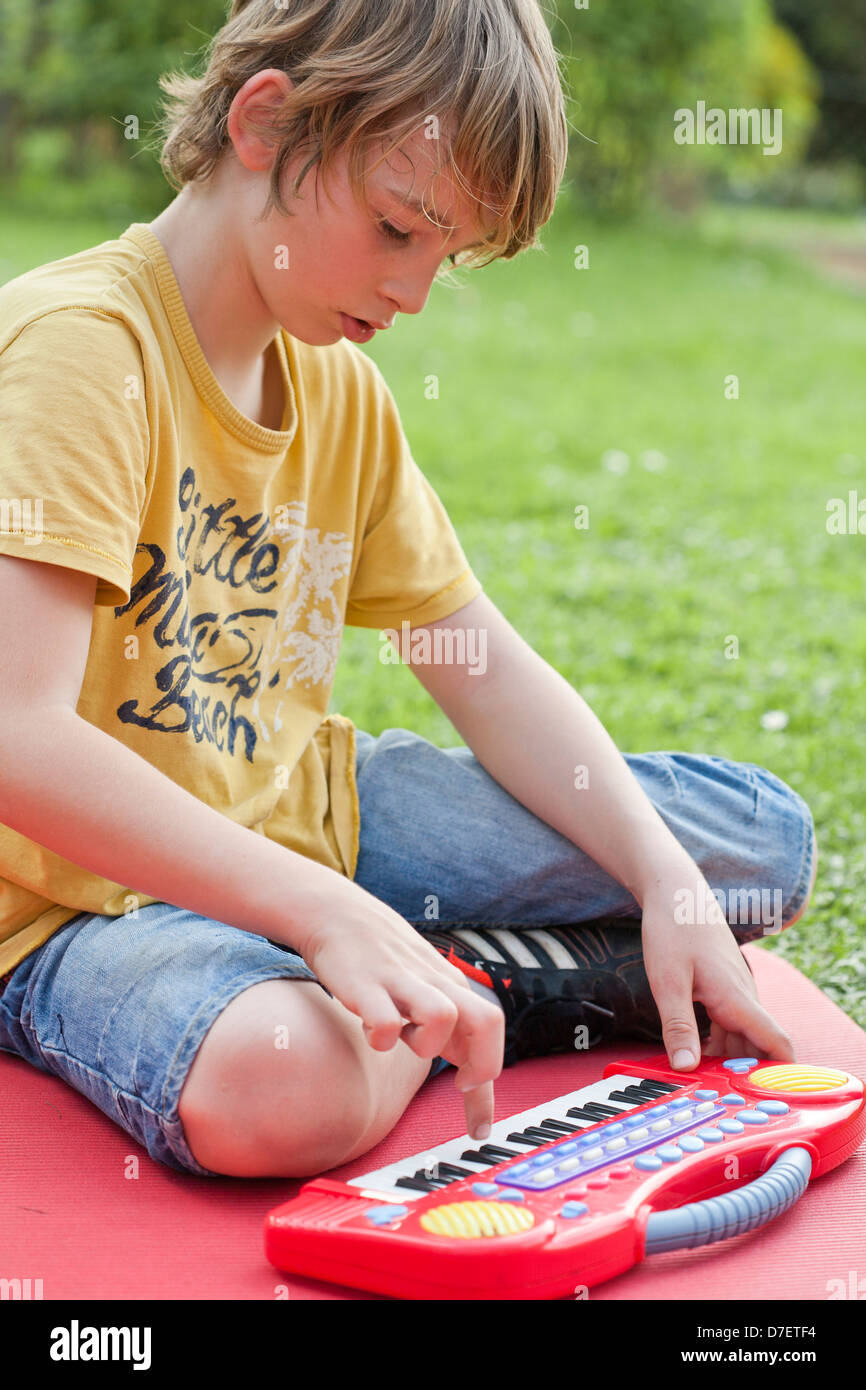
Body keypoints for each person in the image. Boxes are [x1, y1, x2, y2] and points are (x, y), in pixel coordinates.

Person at [0, 0, 816, 1180]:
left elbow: (478, 663)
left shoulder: (336, 391)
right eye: (398, 228)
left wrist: (658, 877)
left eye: (448, 254)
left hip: (315, 814)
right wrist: (323, 913)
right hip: (77, 908)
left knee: (751, 851)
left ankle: (459, 952)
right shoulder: (79, 354)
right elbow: (18, 737)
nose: (417, 294)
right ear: (265, 123)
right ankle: (493, 978)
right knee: (284, 1081)